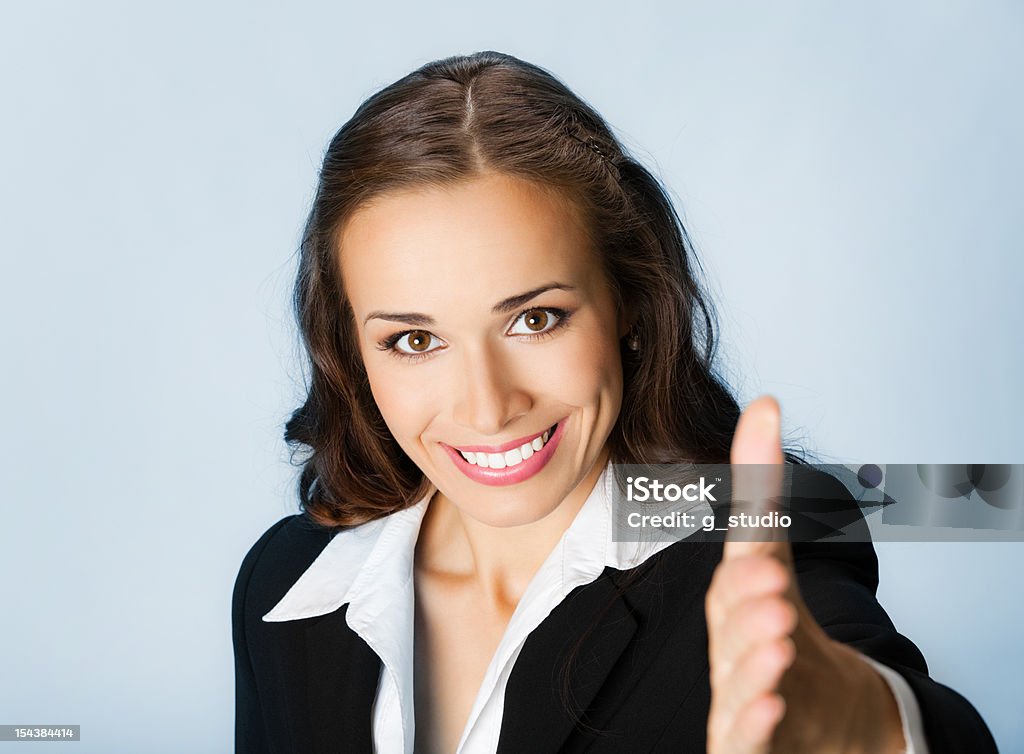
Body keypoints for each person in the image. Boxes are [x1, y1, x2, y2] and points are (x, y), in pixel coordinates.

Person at [232, 51, 997, 753]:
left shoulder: (757, 524)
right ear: (351, 351)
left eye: (535, 319)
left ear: (629, 302)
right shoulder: (282, 582)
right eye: (413, 340)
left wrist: (859, 722)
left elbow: (907, 672)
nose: (489, 407)